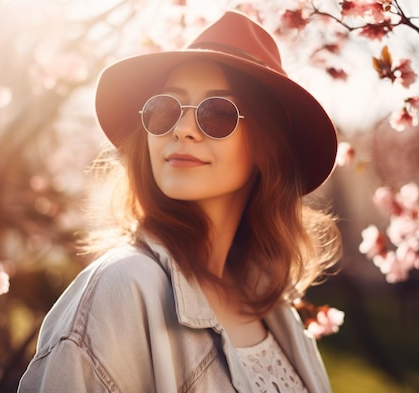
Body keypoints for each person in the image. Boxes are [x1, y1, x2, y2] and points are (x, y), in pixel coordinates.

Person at [18, 10, 341, 393]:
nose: (183, 129)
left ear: (266, 146)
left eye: (217, 113)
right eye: (165, 108)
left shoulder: (278, 313)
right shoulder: (121, 289)